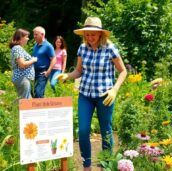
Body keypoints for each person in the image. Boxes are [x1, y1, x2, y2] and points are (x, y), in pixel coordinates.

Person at [56, 17, 127, 171]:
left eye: (93, 35)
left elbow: (123, 71)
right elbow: (79, 71)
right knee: (82, 130)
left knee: (106, 131)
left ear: (101, 34)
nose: (90, 38)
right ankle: (86, 165)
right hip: (85, 95)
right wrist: (68, 76)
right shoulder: (82, 48)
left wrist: (114, 89)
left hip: (105, 96)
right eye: (87, 34)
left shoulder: (110, 48)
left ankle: (105, 165)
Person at [9, 28, 37, 99]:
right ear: (21, 37)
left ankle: (13, 108)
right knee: (25, 102)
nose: (28, 39)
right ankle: (13, 108)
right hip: (22, 78)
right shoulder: (17, 48)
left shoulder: (18, 48)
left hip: (23, 78)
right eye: (26, 37)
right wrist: (33, 60)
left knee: (27, 101)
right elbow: (22, 64)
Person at [32, 26, 56, 98]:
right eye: (34, 34)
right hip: (34, 72)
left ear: (42, 34)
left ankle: (40, 108)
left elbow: (54, 59)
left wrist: (48, 71)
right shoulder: (36, 45)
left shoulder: (48, 46)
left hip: (42, 73)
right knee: (33, 92)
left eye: (36, 34)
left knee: (38, 93)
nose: (34, 36)